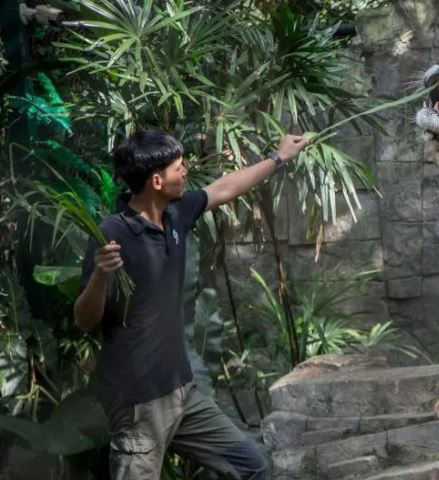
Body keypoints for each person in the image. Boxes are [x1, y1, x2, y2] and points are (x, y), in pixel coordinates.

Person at [74, 131, 308, 479]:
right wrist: (99, 276)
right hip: (139, 405)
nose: (185, 172)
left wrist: (278, 157)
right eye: (179, 167)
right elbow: (84, 321)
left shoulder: (176, 213)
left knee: (251, 465)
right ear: (157, 180)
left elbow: (225, 188)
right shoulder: (114, 234)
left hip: (184, 394)